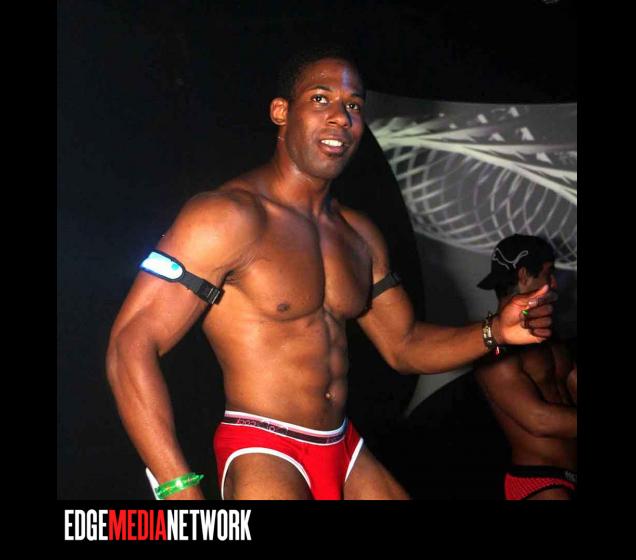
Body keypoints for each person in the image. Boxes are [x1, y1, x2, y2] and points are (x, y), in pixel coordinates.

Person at [106, 47, 557, 500]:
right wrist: (177, 487)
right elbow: (131, 344)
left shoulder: (359, 234)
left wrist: (495, 331)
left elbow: (404, 345)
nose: (341, 117)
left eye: (353, 105)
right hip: (265, 448)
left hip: (344, 447)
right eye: (320, 99)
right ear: (281, 112)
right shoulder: (226, 217)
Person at [474, 234, 577, 500]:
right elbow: (538, 420)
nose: (554, 283)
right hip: (541, 482)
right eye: (548, 273)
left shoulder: (550, 334)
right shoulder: (493, 351)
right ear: (523, 275)